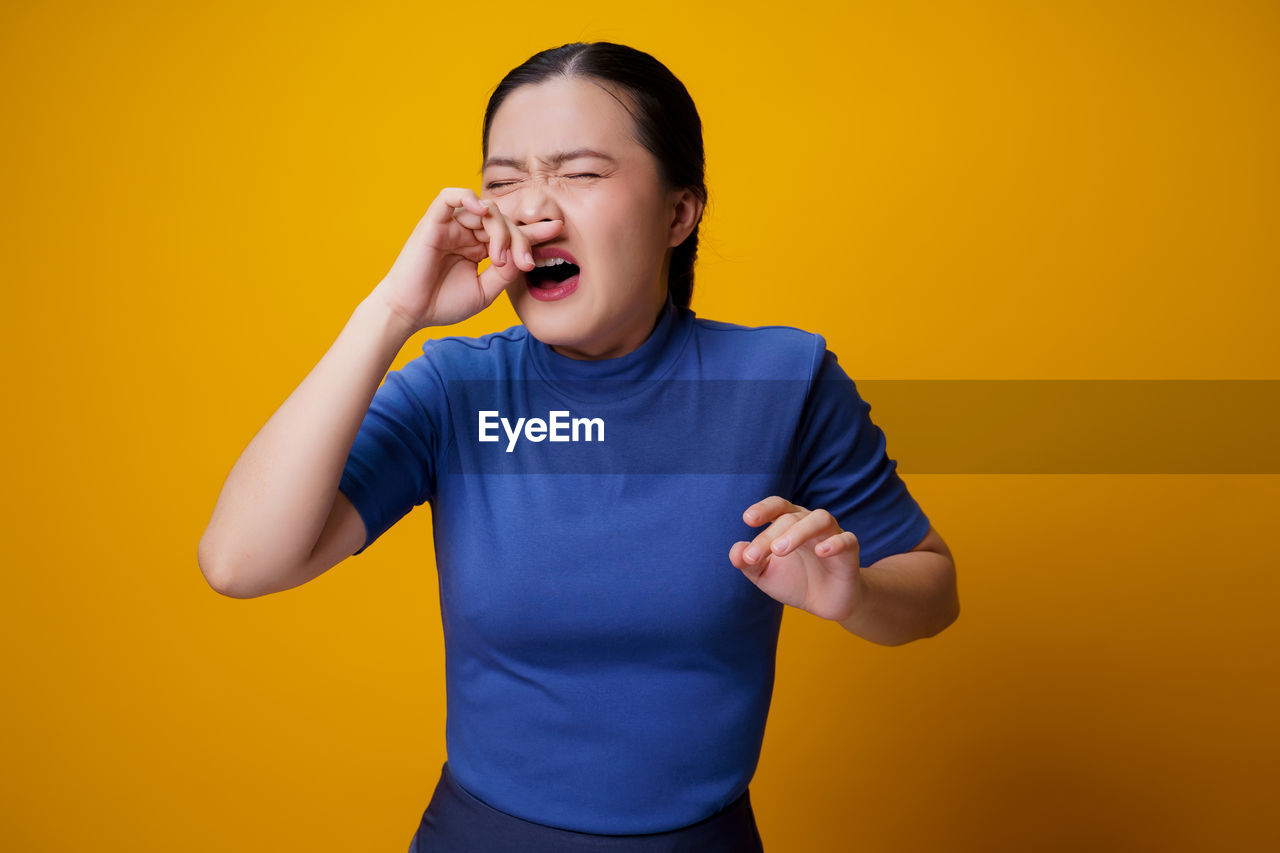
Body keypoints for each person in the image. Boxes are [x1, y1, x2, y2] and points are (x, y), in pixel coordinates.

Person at [197, 41, 959, 852]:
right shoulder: (458, 389)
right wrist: (392, 312)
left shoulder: (781, 378)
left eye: (581, 174)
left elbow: (933, 584)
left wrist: (854, 596)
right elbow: (239, 561)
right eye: (503, 182)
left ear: (679, 213)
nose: (534, 208)